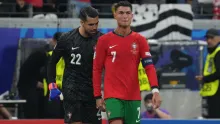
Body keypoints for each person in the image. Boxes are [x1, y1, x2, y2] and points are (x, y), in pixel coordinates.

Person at [93, 1, 161, 124]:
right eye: (121, 13)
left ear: (132, 16)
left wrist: (155, 90)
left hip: (133, 96)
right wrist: (97, 96)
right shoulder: (104, 40)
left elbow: (149, 67)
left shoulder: (140, 40)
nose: (125, 16)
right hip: (112, 96)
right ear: (114, 15)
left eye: (128, 13)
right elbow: (97, 69)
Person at [47, 6, 103, 124]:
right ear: (82, 22)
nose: (95, 27)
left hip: (92, 93)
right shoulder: (67, 39)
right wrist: (52, 84)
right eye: (91, 24)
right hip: (72, 91)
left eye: (96, 24)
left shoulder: (102, 40)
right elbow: (52, 63)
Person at [196, 28, 220, 118]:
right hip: (211, 92)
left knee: (215, 119)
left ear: (219, 39)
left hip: (217, 93)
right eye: (207, 38)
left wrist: (204, 78)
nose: (209, 41)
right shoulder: (211, 53)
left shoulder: (218, 52)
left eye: (211, 38)